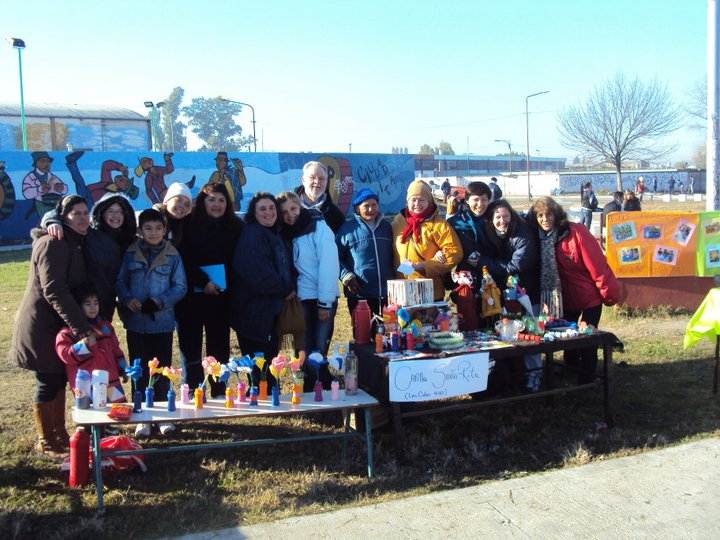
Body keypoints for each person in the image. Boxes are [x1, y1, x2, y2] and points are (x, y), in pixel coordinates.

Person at [9, 195, 92, 455]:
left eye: (85, 212)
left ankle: (59, 433)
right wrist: (81, 327)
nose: (82, 218)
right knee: (47, 379)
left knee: (58, 377)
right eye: (76, 213)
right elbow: (54, 290)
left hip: (58, 323)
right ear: (63, 216)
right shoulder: (53, 243)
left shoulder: (73, 241)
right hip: (43, 324)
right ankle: (46, 438)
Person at [528, 196, 622, 383]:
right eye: (540, 216)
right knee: (568, 339)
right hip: (562, 299)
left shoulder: (576, 232)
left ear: (557, 215)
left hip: (588, 297)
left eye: (549, 214)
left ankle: (587, 379)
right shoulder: (538, 238)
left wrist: (608, 294)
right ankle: (570, 371)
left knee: (587, 338)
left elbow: (597, 265)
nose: (545, 219)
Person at [116, 209, 187, 437]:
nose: (153, 232)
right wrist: (127, 299)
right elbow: (120, 281)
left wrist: (159, 301)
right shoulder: (130, 254)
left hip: (161, 323)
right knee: (139, 370)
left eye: (158, 228)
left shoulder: (172, 255)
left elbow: (180, 286)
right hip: (136, 323)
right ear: (140, 230)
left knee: (163, 369)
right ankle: (142, 416)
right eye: (148, 228)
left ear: (165, 230)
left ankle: (163, 415)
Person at [176, 183, 243, 396]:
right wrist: (203, 281)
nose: (216, 204)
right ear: (202, 202)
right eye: (211, 199)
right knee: (191, 348)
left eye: (221, 200)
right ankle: (193, 391)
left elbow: (239, 261)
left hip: (220, 298)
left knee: (219, 346)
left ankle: (219, 390)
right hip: (190, 298)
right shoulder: (188, 224)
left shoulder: (236, 227)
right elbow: (182, 258)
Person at [278, 191, 339, 389]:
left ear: (301, 206)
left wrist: (325, 303)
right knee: (303, 349)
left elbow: (328, 266)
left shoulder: (318, 227)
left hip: (321, 297)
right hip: (300, 299)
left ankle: (323, 389)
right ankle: (311, 389)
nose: (290, 215)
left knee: (318, 349)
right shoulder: (285, 233)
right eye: (284, 212)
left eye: (293, 209)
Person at [42, 192, 137, 321]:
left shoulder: (129, 240)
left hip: (110, 301)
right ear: (101, 213)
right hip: (87, 300)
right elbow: (62, 212)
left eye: (120, 211)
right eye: (111, 211)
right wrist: (52, 220)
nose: (116, 216)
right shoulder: (88, 234)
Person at [231, 193, 293, 385]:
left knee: (268, 361)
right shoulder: (253, 235)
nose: (268, 212)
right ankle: (263, 395)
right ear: (254, 213)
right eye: (262, 209)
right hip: (254, 312)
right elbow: (259, 274)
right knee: (261, 365)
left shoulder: (272, 233)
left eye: (272, 208)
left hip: (267, 310)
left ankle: (268, 393)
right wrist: (286, 289)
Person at [482, 200, 540, 390]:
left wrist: (483, 262)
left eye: (505, 216)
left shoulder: (522, 234)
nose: (502, 221)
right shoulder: (495, 234)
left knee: (531, 334)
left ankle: (535, 377)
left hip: (527, 293)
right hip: (509, 293)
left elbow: (515, 266)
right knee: (511, 333)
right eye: (498, 217)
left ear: (512, 216)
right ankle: (516, 376)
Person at [392, 179, 463, 301]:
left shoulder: (439, 224)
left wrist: (425, 266)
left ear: (429, 202)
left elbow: (454, 252)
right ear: (407, 202)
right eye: (413, 199)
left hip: (430, 290)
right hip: (402, 289)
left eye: (422, 200)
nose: (417, 204)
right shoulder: (398, 222)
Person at [56, 285, 127, 405]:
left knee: (117, 409)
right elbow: (66, 355)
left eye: (96, 303)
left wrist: (123, 368)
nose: (93, 307)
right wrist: (84, 345)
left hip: (111, 382)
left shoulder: (106, 327)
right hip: (86, 387)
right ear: (78, 306)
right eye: (88, 304)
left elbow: (116, 350)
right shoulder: (68, 333)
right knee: (92, 413)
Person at [336, 188, 394, 318]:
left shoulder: (387, 227)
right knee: (363, 330)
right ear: (357, 209)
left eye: (374, 205)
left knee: (388, 329)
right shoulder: (347, 230)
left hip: (388, 294)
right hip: (360, 294)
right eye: (366, 206)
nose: (371, 209)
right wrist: (346, 276)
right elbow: (335, 257)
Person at [447, 181, 492, 284]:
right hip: (466, 277)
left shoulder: (496, 220)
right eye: (476, 200)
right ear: (467, 200)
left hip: (493, 273)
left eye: (484, 200)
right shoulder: (454, 223)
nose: (480, 204)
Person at [294, 161, 345, 233]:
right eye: (312, 177)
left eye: (321, 178)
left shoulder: (334, 214)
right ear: (303, 180)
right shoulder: (287, 207)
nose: (317, 181)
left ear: (326, 182)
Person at [156, 182, 193, 247]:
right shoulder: (150, 219)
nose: (182, 206)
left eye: (186, 205)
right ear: (167, 201)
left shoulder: (181, 225)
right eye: (178, 200)